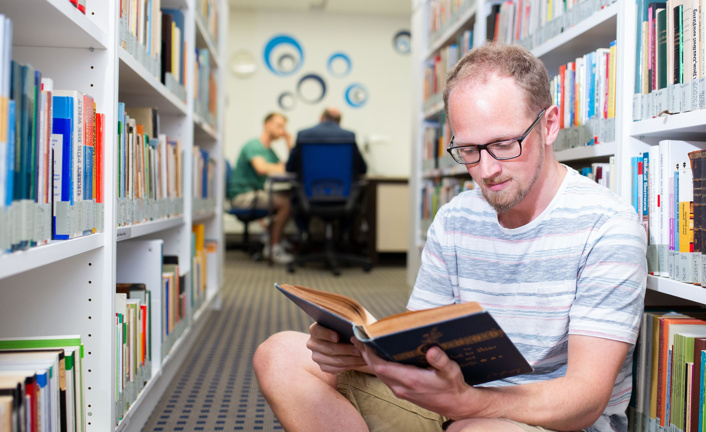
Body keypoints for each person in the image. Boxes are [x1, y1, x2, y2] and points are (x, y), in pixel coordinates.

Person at [253, 43, 647, 432]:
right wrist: (358, 353)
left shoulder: (608, 226)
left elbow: (585, 399)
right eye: (469, 150)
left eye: (504, 144)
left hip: (544, 419)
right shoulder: (455, 217)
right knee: (279, 356)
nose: (487, 169)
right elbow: (420, 352)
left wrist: (472, 404)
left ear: (548, 125)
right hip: (451, 402)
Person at [227, 112, 294, 264]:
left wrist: (289, 144)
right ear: (267, 125)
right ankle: (274, 247)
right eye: (279, 126)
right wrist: (279, 167)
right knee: (287, 203)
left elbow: (288, 167)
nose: (282, 131)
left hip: (256, 193)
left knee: (292, 195)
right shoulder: (254, 145)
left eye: (284, 127)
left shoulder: (269, 150)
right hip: (243, 196)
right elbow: (261, 168)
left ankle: (271, 236)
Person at [286, 106, 367, 176]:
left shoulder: (303, 135)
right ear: (339, 121)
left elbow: (290, 168)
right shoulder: (349, 136)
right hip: (344, 191)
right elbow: (362, 169)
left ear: (321, 118)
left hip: (307, 192)